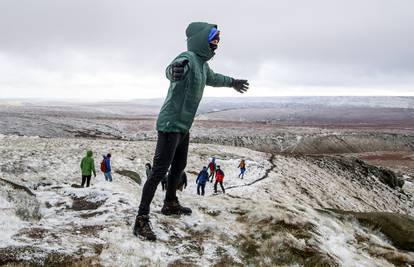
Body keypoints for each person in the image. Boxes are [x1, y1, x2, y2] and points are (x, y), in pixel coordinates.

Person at [133, 21, 249, 241]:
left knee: (179, 166)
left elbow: (215, 79)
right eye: (213, 37)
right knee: (159, 171)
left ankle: (170, 203)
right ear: (201, 39)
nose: (216, 42)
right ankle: (141, 219)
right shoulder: (186, 58)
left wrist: (233, 82)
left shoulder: (203, 66)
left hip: (183, 126)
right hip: (170, 125)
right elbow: (173, 68)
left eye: (218, 39)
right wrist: (174, 72)